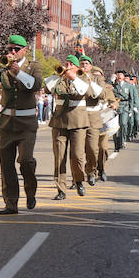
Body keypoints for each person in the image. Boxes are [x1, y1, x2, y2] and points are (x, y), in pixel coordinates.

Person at [0, 35, 43, 214]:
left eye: (16, 49)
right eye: (10, 49)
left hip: (26, 123)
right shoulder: (3, 67)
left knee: (26, 160)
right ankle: (11, 203)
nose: (12, 52)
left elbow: (35, 85)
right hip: (7, 123)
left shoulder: (34, 66)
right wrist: (0, 67)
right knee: (6, 165)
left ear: (25, 50)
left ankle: (30, 190)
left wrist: (18, 72)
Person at [48, 57, 91, 199]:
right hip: (60, 121)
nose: (68, 66)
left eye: (71, 64)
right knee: (59, 156)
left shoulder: (83, 78)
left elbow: (85, 91)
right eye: (66, 63)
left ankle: (78, 181)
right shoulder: (58, 78)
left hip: (78, 121)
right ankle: (61, 189)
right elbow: (47, 88)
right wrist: (59, 76)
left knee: (77, 155)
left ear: (77, 67)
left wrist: (73, 77)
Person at [79, 56, 109, 184]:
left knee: (92, 148)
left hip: (93, 116)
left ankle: (92, 170)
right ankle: (77, 179)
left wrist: (89, 80)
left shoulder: (97, 79)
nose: (84, 66)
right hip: (77, 115)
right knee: (77, 151)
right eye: (82, 63)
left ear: (91, 66)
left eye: (87, 63)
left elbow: (103, 94)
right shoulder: (74, 77)